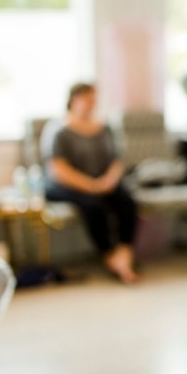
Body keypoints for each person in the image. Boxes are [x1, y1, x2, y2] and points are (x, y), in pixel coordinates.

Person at [43, 83, 139, 283]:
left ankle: (124, 254)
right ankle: (110, 256)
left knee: (126, 201)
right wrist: (91, 186)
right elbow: (59, 170)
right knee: (93, 206)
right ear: (73, 100)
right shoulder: (59, 131)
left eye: (94, 100)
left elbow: (117, 160)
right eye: (87, 99)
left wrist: (109, 180)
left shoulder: (104, 128)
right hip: (70, 185)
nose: (92, 104)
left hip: (103, 182)